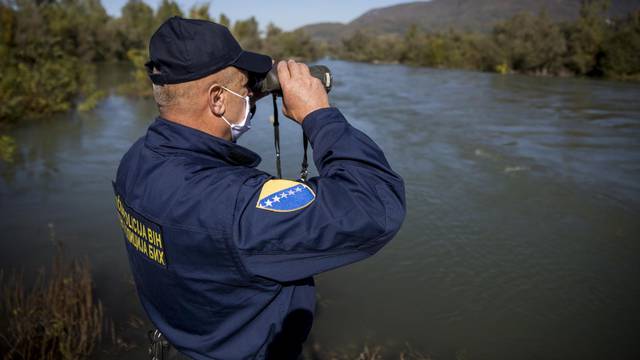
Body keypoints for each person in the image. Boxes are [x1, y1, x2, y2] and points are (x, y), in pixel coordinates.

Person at [113, 16, 406, 360]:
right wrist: (318, 114)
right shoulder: (236, 207)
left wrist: (245, 93)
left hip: (183, 342)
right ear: (218, 99)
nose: (252, 93)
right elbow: (374, 205)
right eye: (245, 86)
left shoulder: (135, 162)